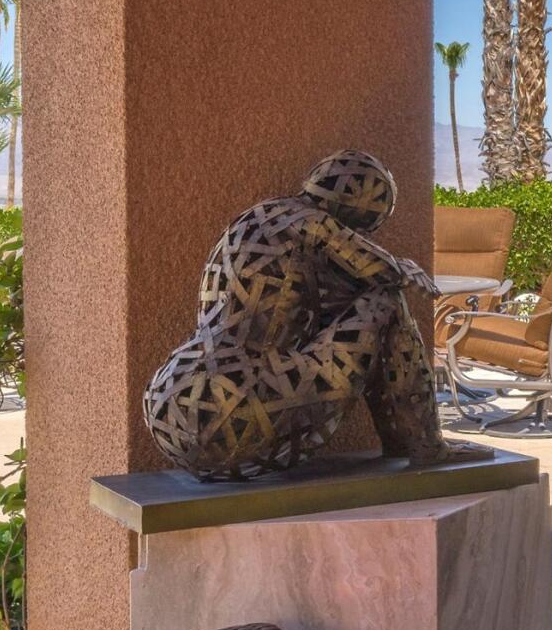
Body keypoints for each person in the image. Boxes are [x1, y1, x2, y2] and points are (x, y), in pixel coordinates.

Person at [141, 150, 445, 479]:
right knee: (386, 301)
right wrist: (403, 269)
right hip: (248, 395)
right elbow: (381, 270)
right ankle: (424, 445)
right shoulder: (306, 219)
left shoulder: (254, 219)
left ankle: (407, 442)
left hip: (170, 398)